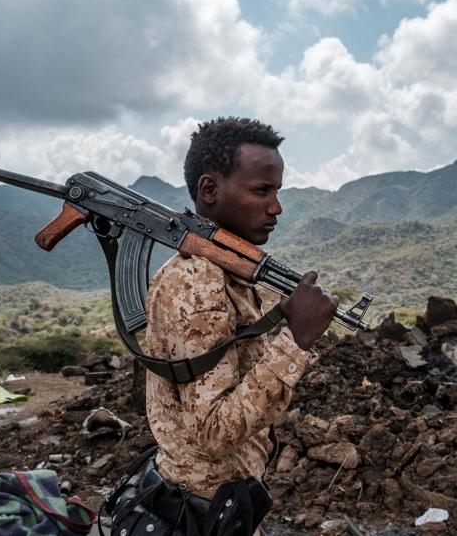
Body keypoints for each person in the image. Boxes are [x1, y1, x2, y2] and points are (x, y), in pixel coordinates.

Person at [107, 117, 338, 535]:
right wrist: (296, 342)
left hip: (223, 503)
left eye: (277, 191)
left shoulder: (226, 274)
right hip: (199, 511)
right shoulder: (197, 284)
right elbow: (214, 431)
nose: (276, 208)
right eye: (262, 191)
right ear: (210, 190)